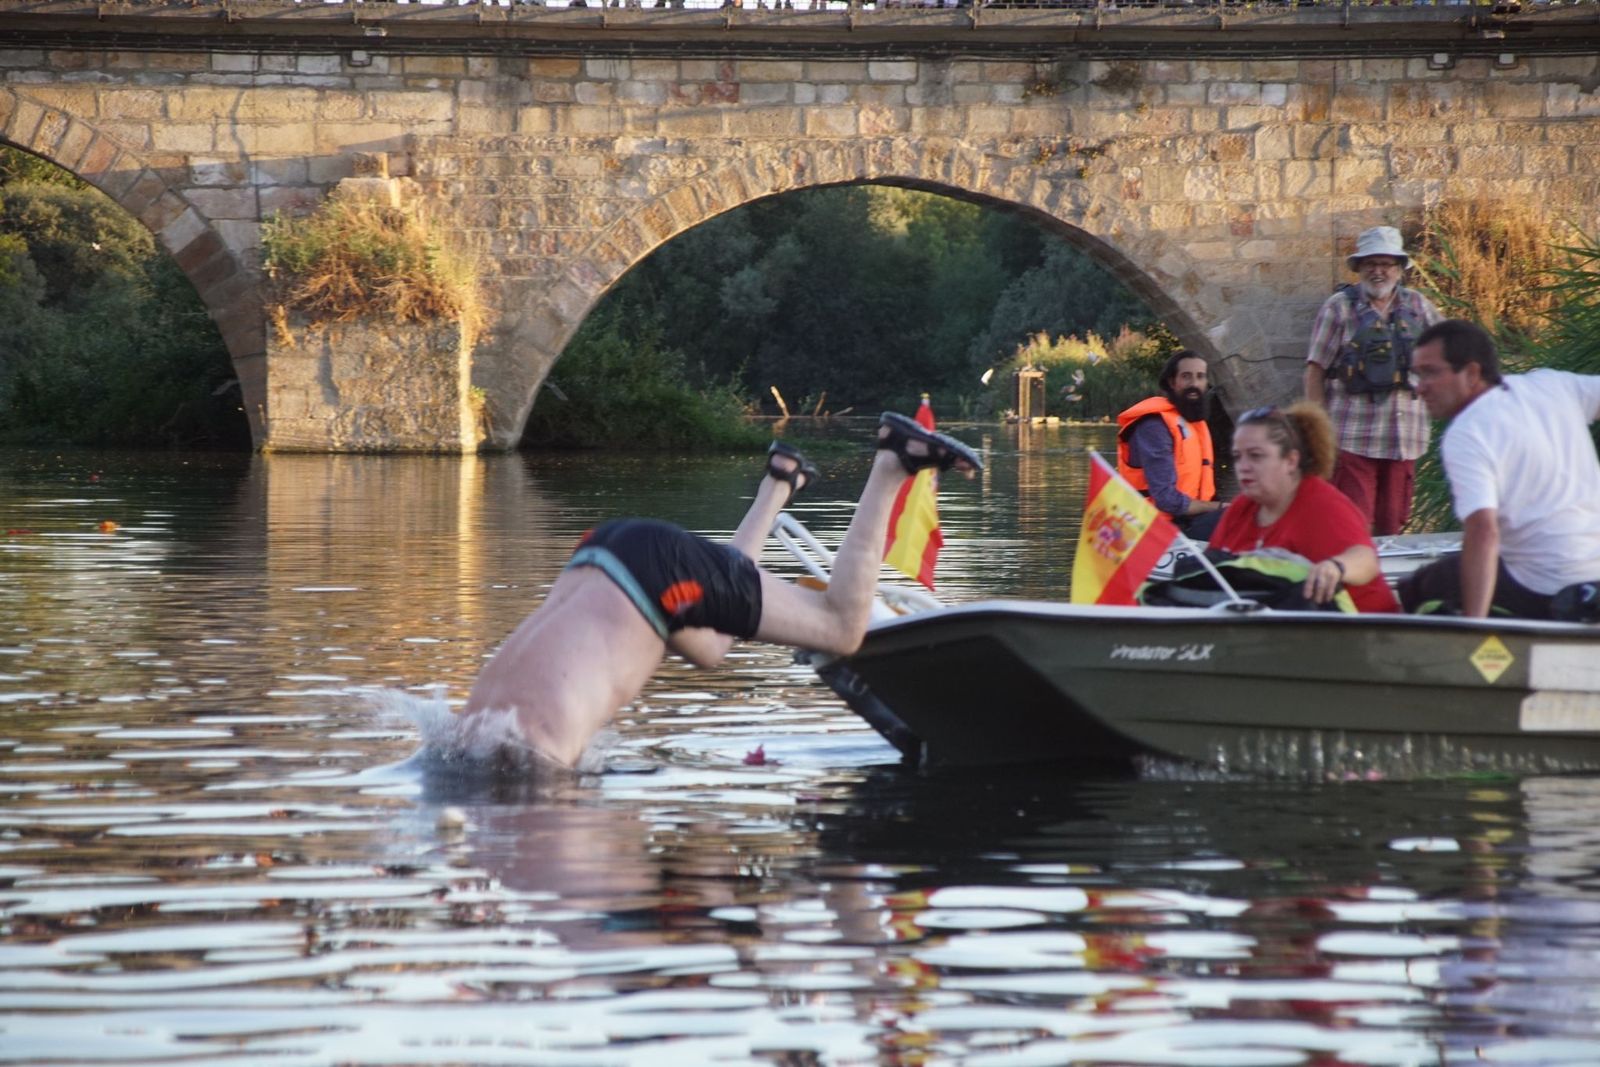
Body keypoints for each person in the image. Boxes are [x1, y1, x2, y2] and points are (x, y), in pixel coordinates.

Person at [461, 413, 983, 769]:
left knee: (839, 629)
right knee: (710, 647)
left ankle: (894, 461)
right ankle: (779, 483)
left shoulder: (514, 765)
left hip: (646, 573)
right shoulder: (472, 750)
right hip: (607, 562)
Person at [1399, 320, 1600, 618]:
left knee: (1418, 587)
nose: (1419, 388)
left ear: (1471, 373)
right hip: (1594, 573)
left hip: (1543, 586)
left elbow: (1483, 532)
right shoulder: (1553, 385)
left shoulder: (1466, 432)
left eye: (1430, 373)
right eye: (1417, 374)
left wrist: (1473, 628)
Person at [1304, 225, 1443, 535]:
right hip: (1352, 439)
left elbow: (1449, 352)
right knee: (1351, 525)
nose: (1378, 271)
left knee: (1392, 527)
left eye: (1386, 264)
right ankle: (1352, 582)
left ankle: (1381, 583)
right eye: (1371, 263)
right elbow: (1315, 370)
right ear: (1359, 268)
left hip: (1406, 441)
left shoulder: (1419, 306)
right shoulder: (1338, 308)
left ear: (1399, 269)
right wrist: (1318, 432)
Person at [1209, 403, 1400, 613]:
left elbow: (1366, 559)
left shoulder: (1322, 504)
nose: (1243, 466)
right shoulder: (1241, 509)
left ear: (1291, 461)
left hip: (1363, 632)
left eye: (1256, 456)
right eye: (1237, 457)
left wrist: (1335, 567)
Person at [1116, 350, 1224, 539]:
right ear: (1172, 383)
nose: (1194, 384)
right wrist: (1221, 508)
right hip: (1153, 530)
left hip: (1188, 523)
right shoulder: (1154, 426)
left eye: (1200, 377)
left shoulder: (1195, 425)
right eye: (1186, 377)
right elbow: (1166, 500)